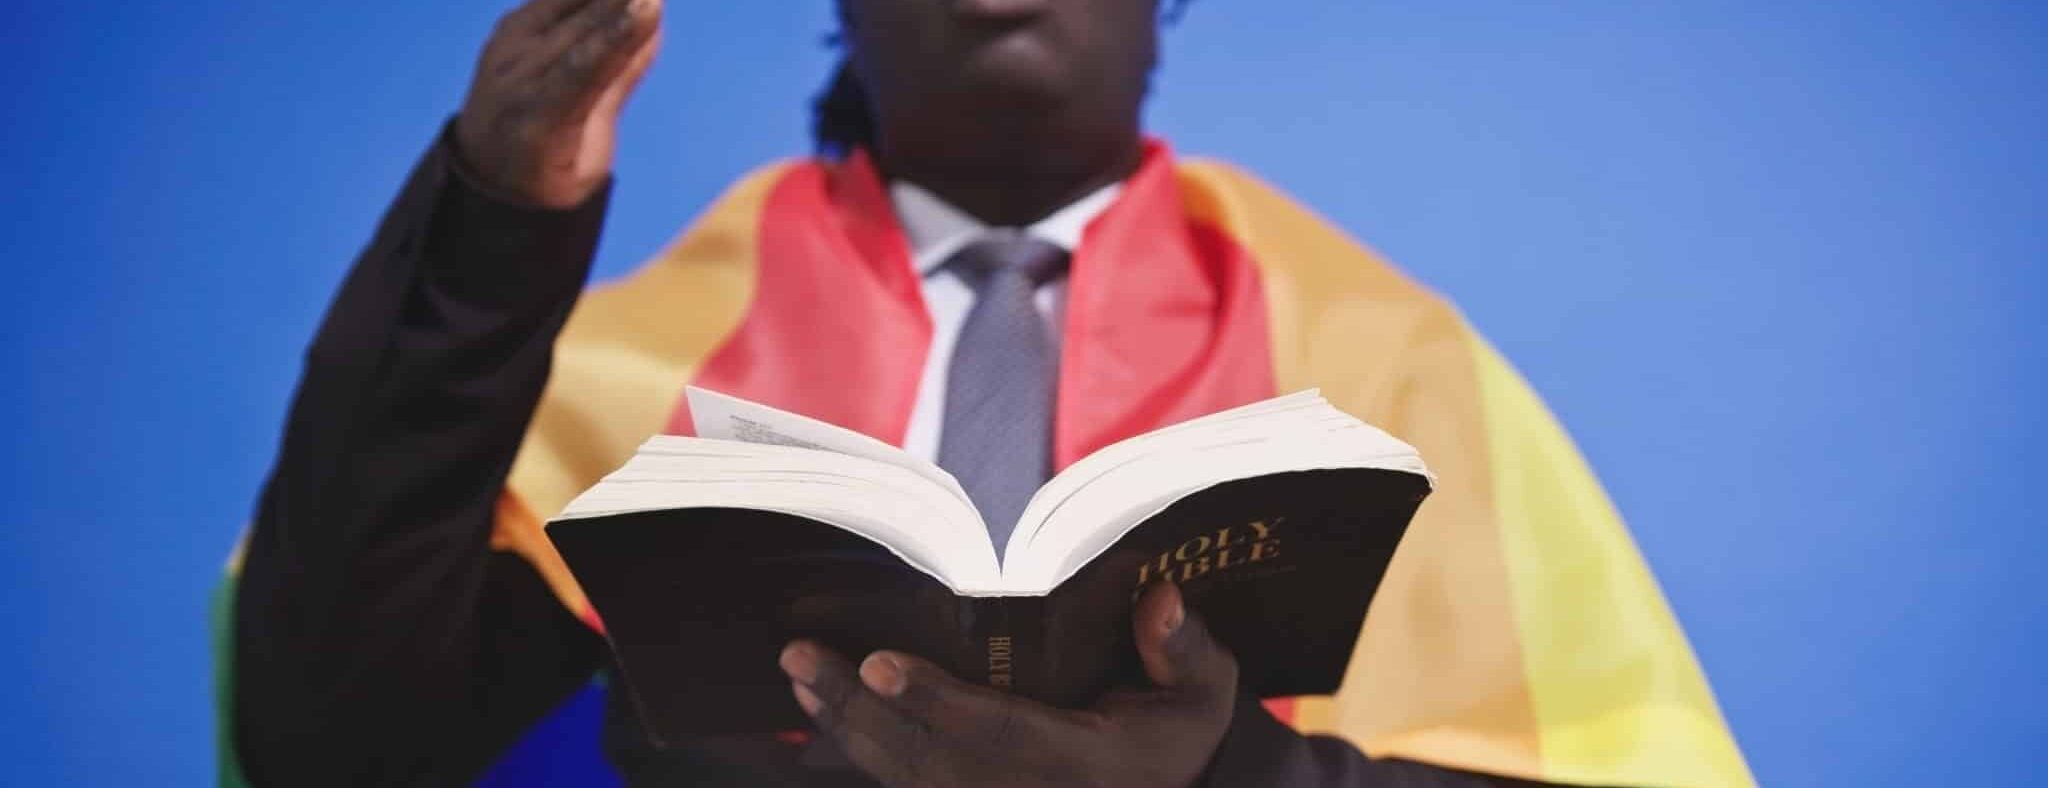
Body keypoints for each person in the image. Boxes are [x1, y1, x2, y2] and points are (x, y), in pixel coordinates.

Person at [218, 0, 1753, 785]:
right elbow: (331, 739)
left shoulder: (1390, 365)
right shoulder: (612, 375)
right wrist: (494, 228)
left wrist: (1237, 779)